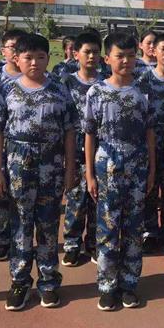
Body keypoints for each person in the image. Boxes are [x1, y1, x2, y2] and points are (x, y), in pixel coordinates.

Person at [0, 34, 76, 311]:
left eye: (41, 57)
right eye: (28, 57)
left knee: (48, 225)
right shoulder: (7, 91)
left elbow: (70, 133)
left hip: (51, 165)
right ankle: (19, 281)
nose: (35, 62)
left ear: (48, 59)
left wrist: (70, 170)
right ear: (17, 59)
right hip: (18, 166)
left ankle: (49, 282)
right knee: (20, 224)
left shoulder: (60, 90)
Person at [84, 32, 156, 310]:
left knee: (134, 226)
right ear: (107, 59)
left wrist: (151, 170)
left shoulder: (143, 92)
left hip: (138, 162)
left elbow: (150, 133)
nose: (126, 61)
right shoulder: (97, 92)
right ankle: (107, 285)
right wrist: (90, 175)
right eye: (119, 56)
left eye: (130, 56)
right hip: (107, 162)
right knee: (108, 225)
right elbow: (90, 135)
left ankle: (129, 283)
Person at [60, 31, 104, 267]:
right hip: (75, 151)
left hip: (100, 151)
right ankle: (72, 244)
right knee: (76, 200)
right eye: (87, 52)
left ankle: (94, 243)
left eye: (96, 52)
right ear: (76, 54)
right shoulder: (66, 83)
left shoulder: (106, 82)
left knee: (97, 199)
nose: (92, 56)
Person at [0, 29, 26, 262]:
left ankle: (21, 239)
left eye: (20, 47)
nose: (16, 52)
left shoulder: (35, 75)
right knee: (0, 192)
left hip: (25, 148)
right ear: (3, 51)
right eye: (12, 47)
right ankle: (2, 239)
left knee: (23, 196)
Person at [136, 32, 164, 250]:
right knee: (150, 189)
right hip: (150, 143)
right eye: (163, 49)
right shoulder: (144, 80)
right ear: (154, 51)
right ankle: (150, 231)